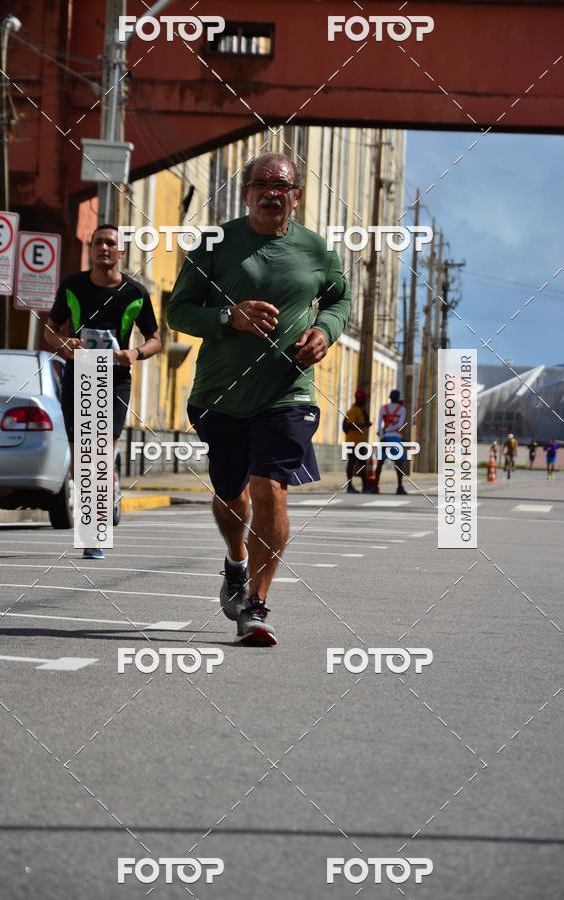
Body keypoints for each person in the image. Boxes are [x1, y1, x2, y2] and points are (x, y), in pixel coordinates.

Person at [167, 153, 351, 646]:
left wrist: (325, 331)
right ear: (245, 192)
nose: (273, 192)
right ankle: (236, 562)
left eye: (283, 185)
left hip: (287, 394)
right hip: (220, 396)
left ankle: (256, 604)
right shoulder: (214, 243)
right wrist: (229, 318)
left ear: (298, 194)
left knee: (272, 489)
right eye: (262, 184)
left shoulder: (317, 250)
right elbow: (177, 311)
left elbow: (339, 300)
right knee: (233, 496)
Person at [45, 223, 161, 559]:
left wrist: (134, 353)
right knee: (81, 458)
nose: (105, 248)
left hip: (116, 378)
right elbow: (50, 330)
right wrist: (65, 343)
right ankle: (100, 501)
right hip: (79, 375)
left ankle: (94, 531)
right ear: (91, 249)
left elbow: (156, 339)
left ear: (121, 251)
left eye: (111, 243)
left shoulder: (135, 293)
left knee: (101, 452)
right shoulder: (73, 286)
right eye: (99, 243)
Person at [372, 389, 407, 495]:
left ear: (390, 398)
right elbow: (400, 425)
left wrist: (383, 434)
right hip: (396, 438)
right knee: (399, 463)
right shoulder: (402, 409)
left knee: (380, 462)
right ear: (398, 398)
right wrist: (389, 429)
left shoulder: (383, 408)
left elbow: (379, 425)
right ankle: (399, 487)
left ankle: (375, 487)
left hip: (385, 438)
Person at [343, 388, 372, 493]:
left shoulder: (360, 410)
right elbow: (349, 424)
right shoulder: (353, 410)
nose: (365, 400)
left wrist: (364, 412)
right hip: (352, 442)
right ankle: (349, 486)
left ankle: (365, 486)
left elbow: (367, 421)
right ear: (358, 398)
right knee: (352, 463)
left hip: (359, 442)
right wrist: (363, 425)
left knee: (362, 463)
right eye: (363, 398)